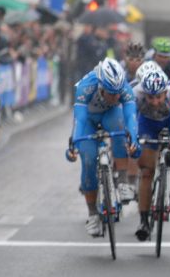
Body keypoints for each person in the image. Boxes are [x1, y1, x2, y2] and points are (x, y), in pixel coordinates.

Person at [65, 57, 140, 236]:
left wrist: (134, 140)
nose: (115, 97)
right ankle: (92, 214)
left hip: (110, 115)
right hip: (89, 120)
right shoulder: (86, 86)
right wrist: (73, 143)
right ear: (100, 87)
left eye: (117, 93)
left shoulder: (123, 88)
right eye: (110, 93)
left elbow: (131, 118)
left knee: (120, 127)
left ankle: (122, 181)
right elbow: (80, 120)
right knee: (89, 160)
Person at [133, 70, 170, 241]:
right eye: (150, 98)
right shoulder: (136, 95)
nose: (155, 102)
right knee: (147, 171)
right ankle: (143, 221)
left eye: (159, 97)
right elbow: (130, 119)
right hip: (147, 125)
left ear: (166, 93)